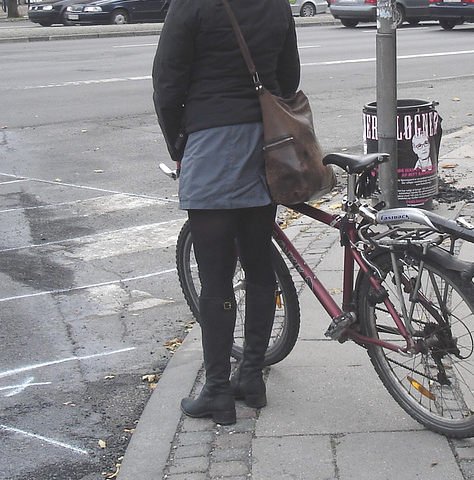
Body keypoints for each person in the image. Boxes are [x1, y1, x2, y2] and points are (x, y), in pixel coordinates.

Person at [152, 0, 301, 425]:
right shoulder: (278, 4)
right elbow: (288, 77)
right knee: (259, 266)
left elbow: (166, 82)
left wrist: (178, 143)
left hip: (212, 144)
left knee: (216, 276)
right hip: (266, 146)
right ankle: (251, 377)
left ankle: (217, 390)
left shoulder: (191, 5)